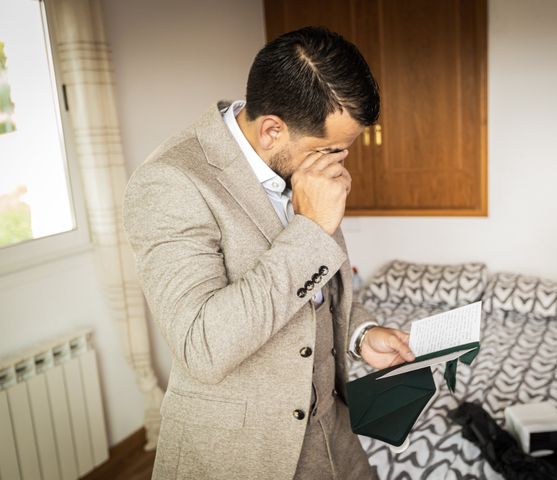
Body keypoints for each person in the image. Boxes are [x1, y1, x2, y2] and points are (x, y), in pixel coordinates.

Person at [123, 26, 415, 480]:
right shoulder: (170, 183)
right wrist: (311, 227)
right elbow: (203, 347)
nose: (340, 164)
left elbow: (314, 291)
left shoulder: (304, 162)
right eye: (332, 150)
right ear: (272, 130)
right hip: (241, 454)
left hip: (334, 435)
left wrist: (359, 334)